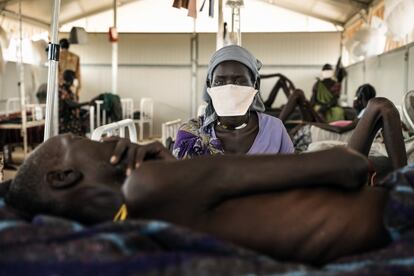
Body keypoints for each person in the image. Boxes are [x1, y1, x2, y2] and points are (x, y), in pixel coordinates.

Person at [3, 98, 408, 265]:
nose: (104, 137)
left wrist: (177, 167)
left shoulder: (135, 222)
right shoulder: (147, 187)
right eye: (83, 140)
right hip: (393, 212)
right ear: (64, 176)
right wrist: (169, 170)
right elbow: (345, 167)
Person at [173, 45, 294, 159]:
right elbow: (180, 178)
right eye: (220, 82)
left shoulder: (274, 129)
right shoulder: (191, 134)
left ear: (255, 85)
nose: (229, 89)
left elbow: (292, 176)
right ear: (210, 86)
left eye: (239, 81)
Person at [59, 70, 89, 136]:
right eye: (74, 78)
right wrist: (87, 103)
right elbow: (71, 104)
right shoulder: (62, 90)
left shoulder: (69, 90)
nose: (75, 80)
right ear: (71, 79)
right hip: (67, 122)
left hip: (72, 121)